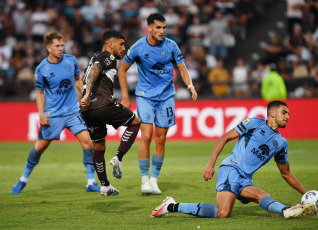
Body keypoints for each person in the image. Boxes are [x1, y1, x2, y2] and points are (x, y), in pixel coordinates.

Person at [152, 101, 318, 219]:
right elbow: (224, 137)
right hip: (231, 169)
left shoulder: (281, 143)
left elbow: (286, 173)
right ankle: (171, 206)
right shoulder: (254, 123)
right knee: (223, 213)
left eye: (288, 113)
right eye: (284, 112)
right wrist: (210, 165)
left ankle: (287, 211)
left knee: (263, 195)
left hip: (245, 179)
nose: (288, 116)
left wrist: (307, 194)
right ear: (272, 113)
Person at [118, 13, 197, 195]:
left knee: (161, 139)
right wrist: (125, 96)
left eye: (164, 28)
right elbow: (122, 69)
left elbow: (182, 68)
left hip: (166, 97)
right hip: (145, 96)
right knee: (146, 136)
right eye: (158, 28)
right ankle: (144, 180)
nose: (162, 31)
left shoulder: (171, 46)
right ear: (150, 28)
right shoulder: (138, 47)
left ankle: (154, 181)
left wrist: (190, 85)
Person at [12, 31, 100, 194]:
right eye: (57, 46)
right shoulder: (42, 69)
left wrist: (86, 96)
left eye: (62, 45)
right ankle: (23, 179)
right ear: (48, 48)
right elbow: (39, 93)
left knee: (88, 142)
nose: (61, 48)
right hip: (53, 115)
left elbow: (77, 80)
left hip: (73, 112)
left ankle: (91, 182)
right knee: (39, 148)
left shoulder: (71, 61)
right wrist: (41, 115)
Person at [80, 30, 141, 197]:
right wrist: (87, 95)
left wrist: (85, 96)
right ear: (110, 44)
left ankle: (105, 185)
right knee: (135, 122)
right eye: (121, 44)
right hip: (102, 105)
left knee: (98, 147)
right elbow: (94, 71)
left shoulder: (94, 56)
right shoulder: (108, 57)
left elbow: (84, 77)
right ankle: (118, 158)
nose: (124, 48)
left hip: (87, 111)